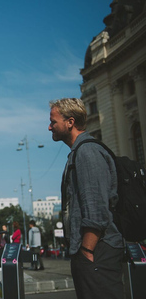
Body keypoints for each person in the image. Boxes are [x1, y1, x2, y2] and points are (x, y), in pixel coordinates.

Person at [49, 98, 124, 299]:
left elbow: (96, 208)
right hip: (92, 252)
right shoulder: (79, 153)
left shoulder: (87, 152)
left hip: (97, 251)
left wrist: (86, 250)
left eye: (53, 122)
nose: (50, 127)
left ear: (70, 122)